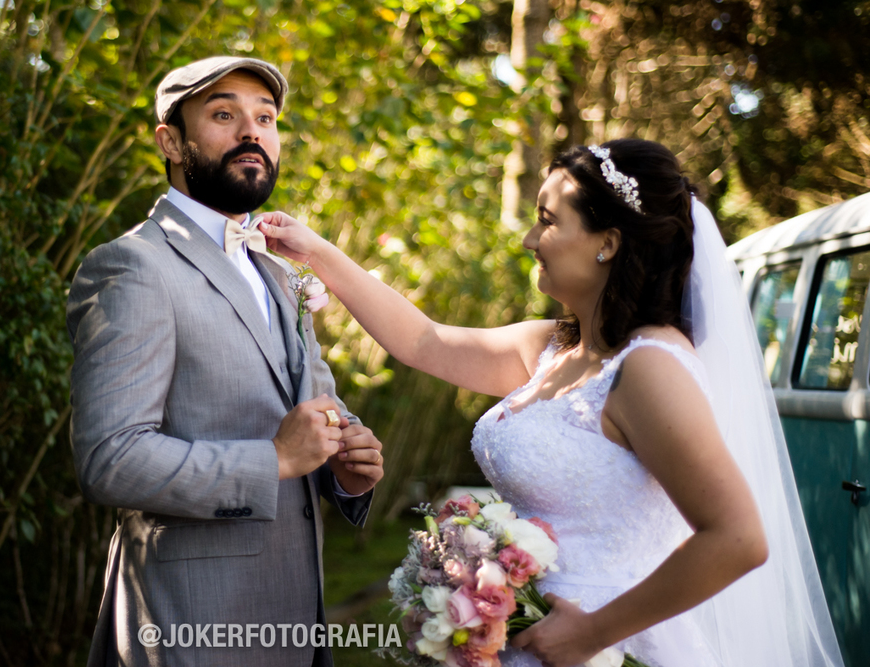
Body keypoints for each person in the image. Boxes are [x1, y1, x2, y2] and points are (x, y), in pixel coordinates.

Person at [258, 138, 844, 667]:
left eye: (547, 221)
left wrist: (591, 635)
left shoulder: (649, 369)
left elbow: (738, 538)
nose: (528, 239)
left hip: (611, 649)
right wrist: (316, 253)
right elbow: (424, 341)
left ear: (608, 243)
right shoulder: (551, 346)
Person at [66, 56, 384, 667]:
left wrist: (346, 466)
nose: (252, 132)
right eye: (223, 114)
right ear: (172, 142)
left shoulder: (279, 267)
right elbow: (110, 459)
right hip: (189, 622)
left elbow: (314, 414)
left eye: (265, 117)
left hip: (295, 620)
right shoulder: (133, 267)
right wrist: (274, 460)